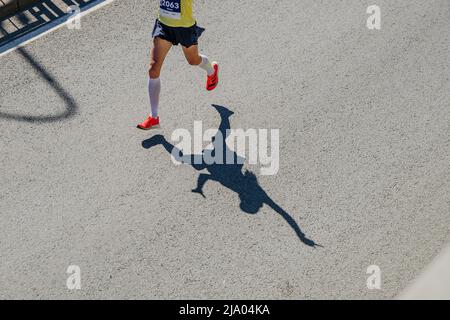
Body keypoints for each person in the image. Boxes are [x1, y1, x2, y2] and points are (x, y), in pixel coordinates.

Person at [137, 0, 219, 130]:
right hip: (164, 25)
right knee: (153, 69)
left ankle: (211, 71)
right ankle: (153, 117)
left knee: (193, 60)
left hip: (184, 28)